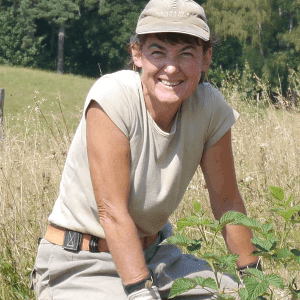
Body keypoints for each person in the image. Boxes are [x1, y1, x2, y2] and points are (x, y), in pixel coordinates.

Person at [30, 0, 259, 299]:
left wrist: (255, 281)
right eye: (158, 51)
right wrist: (140, 291)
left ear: (206, 58)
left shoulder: (210, 108)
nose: (171, 67)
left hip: (157, 257)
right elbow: (111, 211)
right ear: (137, 54)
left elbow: (227, 202)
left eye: (187, 53)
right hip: (81, 261)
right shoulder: (113, 97)